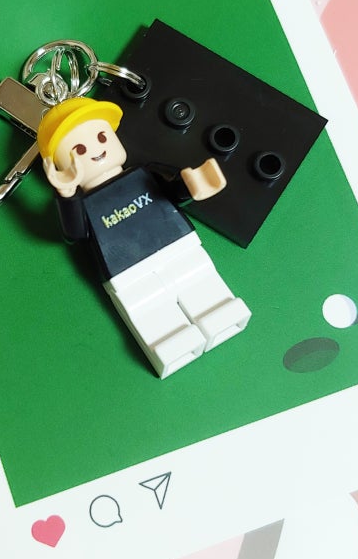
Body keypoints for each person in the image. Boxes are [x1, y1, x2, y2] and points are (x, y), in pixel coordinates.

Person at [37, 96, 251, 378]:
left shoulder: (144, 173)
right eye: (79, 148)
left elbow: (174, 189)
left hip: (180, 247)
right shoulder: (82, 204)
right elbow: (75, 233)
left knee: (203, 286)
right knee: (152, 315)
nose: (97, 149)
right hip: (126, 274)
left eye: (101, 136)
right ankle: (173, 347)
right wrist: (66, 195)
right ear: (60, 167)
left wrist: (193, 183)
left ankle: (223, 316)